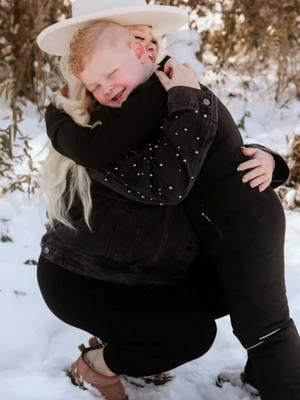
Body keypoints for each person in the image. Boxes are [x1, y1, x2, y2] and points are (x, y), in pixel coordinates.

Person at [36, 1, 292, 399]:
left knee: (263, 326)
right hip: (103, 270)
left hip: (230, 228)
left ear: (147, 48)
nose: (106, 90)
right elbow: (153, 171)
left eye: (147, 37)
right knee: (239, 324)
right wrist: (55, 122)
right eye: (96, 82)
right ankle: (119, 358)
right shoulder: (113, 113)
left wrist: (271, 160)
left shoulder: (178, 95)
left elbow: (212, 150)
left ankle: (269, 379)